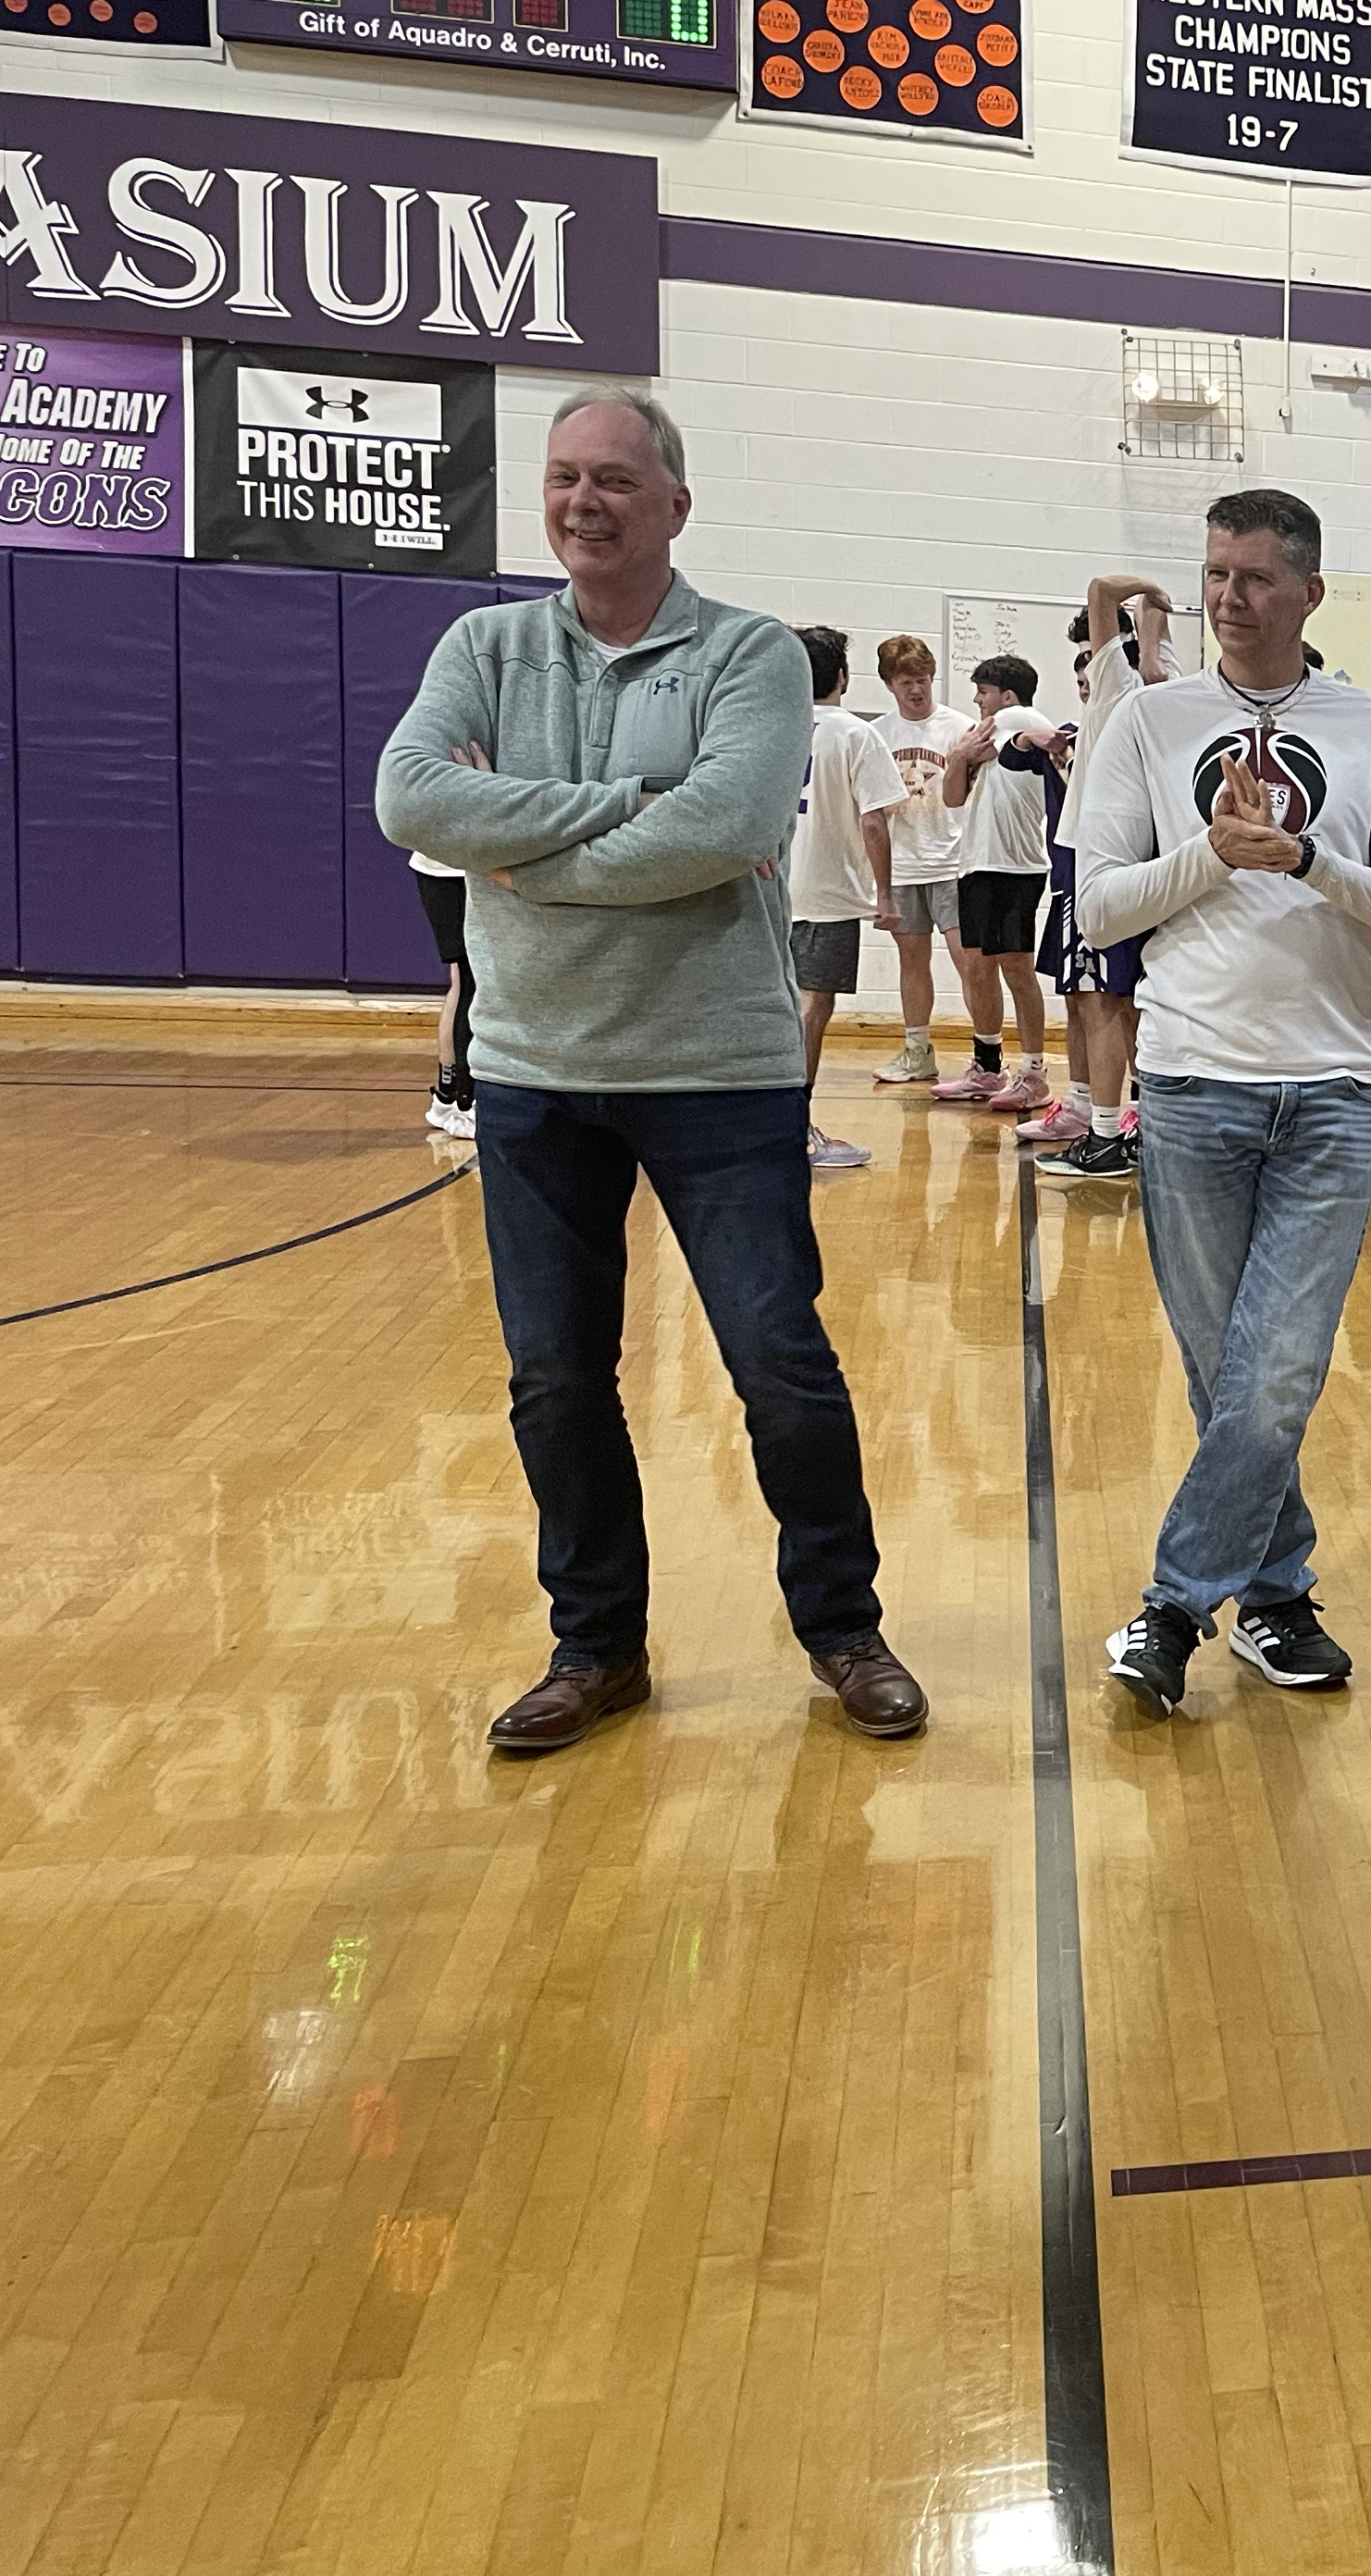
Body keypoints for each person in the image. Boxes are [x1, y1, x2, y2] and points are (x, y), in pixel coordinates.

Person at [371, 386, 928, 1752]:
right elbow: (408, 800)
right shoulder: (485, 643)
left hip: (718, 1074)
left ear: (675, 504)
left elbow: (727, 826)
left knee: (777, 1359)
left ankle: (844, 1630)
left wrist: (522, 852)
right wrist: (629, 813)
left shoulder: (750, 657)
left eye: (616, 480)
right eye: (564, 477)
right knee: (555, 1376)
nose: (584, 502)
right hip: (532, 1073)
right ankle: (596, 1648)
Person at [1071, 486, 1371, 1712]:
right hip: (1187, 1084)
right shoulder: (1146, 719)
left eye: (1253, 578)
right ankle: (1277, 1596)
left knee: (1275, 1372)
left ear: (1310, 591)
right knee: (1227, 1374)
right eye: (1214, 576)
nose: (1228, 600)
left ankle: (1173, 1613)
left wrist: (1303, 858)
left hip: (1332, 1093)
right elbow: (1098, 908)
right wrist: (1209, 857)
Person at [1014, 576, 1167, 1179]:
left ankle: (1105, 1135)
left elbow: (1101, 589)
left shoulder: (1115, 692)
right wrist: (1154, 616)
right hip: (1137, 860)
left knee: (1101, 999)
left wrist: (1144, 591)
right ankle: (1129, 1121)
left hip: (1096, 858)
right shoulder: (1161, 687)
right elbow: (1153, 654)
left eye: (1087, 656)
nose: (1083, 669)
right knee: (1113, 1000)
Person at [784, 623, 899, 1172]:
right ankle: (793, 1128)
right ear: (844, 678)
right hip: (826, 894)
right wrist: (886, 893)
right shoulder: (855, 733)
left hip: (766, 892)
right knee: (812, 1006)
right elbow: (874, 821)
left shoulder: (770, 725)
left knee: (770, 1007)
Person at [864, 634, 991, 1093]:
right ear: (889, 685)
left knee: (971, 964)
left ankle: (987, 1057)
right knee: (911, 961)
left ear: (932, 677)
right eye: (904, 682)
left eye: (921, 680)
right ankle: (917, 1051)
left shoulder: (958, 728)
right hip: (903, 866)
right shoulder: (877, 734)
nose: (915, 690)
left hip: (954, 863)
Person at [940, 651, 1056, 1114]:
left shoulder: (1019, 718)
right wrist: (958, 758)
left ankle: (1035, 1073)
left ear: (1006, 695)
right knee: (977, 968)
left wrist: (969, 750)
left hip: (1015, 866)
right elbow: (952, 798)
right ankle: (987, 1067)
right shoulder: (979, 734)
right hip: (978, 863)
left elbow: (1011, 746)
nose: (976, 699)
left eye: (983, 691)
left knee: (1016, 969)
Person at [412, 847, 477, 1139]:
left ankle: (447, 1095)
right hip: (455, 873)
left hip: (450, 870)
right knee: (472, 983)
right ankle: (468, 1101)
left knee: (462, 982)